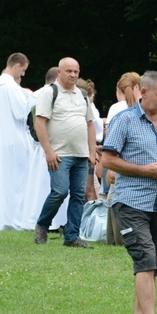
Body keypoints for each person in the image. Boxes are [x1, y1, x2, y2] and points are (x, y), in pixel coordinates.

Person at [101, 71, 157, 314]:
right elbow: (108, 160)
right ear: (143, 92)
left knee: (154, 264)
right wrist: (144, 170)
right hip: (131, 201)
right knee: (145, 259)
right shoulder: (124, 120)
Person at [33, 58, 96, 248]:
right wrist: (49, 152)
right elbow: (40, 122)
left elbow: (90, 124)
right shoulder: (49, 92)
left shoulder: (82, 94)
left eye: (76, 71)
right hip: (59, 154)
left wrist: (92, 153)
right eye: (69, 71)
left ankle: (72, 236)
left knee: (78, 195)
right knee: (59, 192)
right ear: (59, 73)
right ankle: (42, 225)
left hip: (81, 154)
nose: (73, 75)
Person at [0, 53, 48, 231]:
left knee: (7, 181)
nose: (22, 75)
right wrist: (35, 96)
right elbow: (21, 111)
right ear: (17, 65)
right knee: (17, 181)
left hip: (4, 140)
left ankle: (5, 217)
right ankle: (14, 218)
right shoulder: (8, 85)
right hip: (14, 140)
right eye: (23, 70)